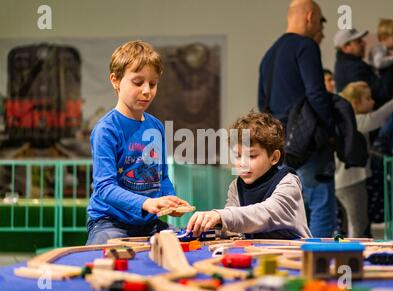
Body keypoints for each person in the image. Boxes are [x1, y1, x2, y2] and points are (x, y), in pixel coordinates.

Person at [86, 40, 190, 245]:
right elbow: (104, 188)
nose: (146, 91)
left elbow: (162, 177)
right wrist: (147, 202)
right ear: (115, 81)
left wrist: (170, 200)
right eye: (137, 82)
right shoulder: (107, 130)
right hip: (110, 222)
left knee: (186, 244)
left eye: (153, 84)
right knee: (102, 254)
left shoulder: (157, 127)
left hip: (149, 223)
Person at [258, 0, 336, 237]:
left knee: (288, 209)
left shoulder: (268, 55)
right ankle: (319, 261)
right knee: (321, 205)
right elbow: (316, 93)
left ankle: (292, 262)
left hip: (281, 145)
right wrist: (331, 129)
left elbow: (263, 105)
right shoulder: (306, 46)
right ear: (310, 16)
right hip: (309, 142)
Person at [186, 111, 312, 239]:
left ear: (274, 157)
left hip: (294, 255)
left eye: (251, 156)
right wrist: (213, 226)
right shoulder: (236, 186)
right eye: (237, 156)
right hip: (258, 255)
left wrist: (220, 216)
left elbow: (266, 214)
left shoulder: (288, 182)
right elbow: (231, 226)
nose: (242, 164)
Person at [335, 81, 393, 237]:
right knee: (359, 225)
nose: (372, 101)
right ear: (355, 103)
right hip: (352, 182)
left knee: (349, 226)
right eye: (368, 98)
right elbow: (379, 117)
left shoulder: (344, 120)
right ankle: (356, 257)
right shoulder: (355, 121)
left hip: (343, 183)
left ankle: (347, 255)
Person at [334, 28, 393, 108]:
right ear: (346, 48)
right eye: (359, 42)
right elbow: (382, 93)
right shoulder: (353, 68)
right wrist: (387, 64)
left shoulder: (347, 64)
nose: (364, 43)